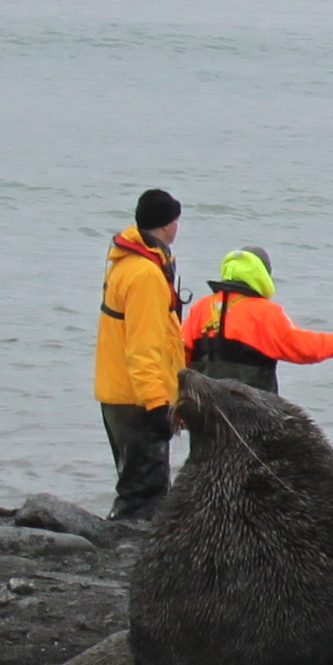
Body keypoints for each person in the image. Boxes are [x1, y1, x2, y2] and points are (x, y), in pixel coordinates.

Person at [93, 189, 187, 522]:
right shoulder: (146, 275)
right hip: (137, 399)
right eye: (176, 220)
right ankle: (133, 551)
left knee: (134, 483)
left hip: (117, 392)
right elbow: (143, 347)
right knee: (145, 491)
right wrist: (157, 404)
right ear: (166, 225)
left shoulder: (125, 264)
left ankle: (122, 540)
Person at [179, 250, 333, 396]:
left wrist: (179, 405)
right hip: (252, 413)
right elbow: (306, 348)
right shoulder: (265, 312)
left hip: (203, 411)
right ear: (262, 275)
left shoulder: (201, 307)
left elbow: (180, 355)